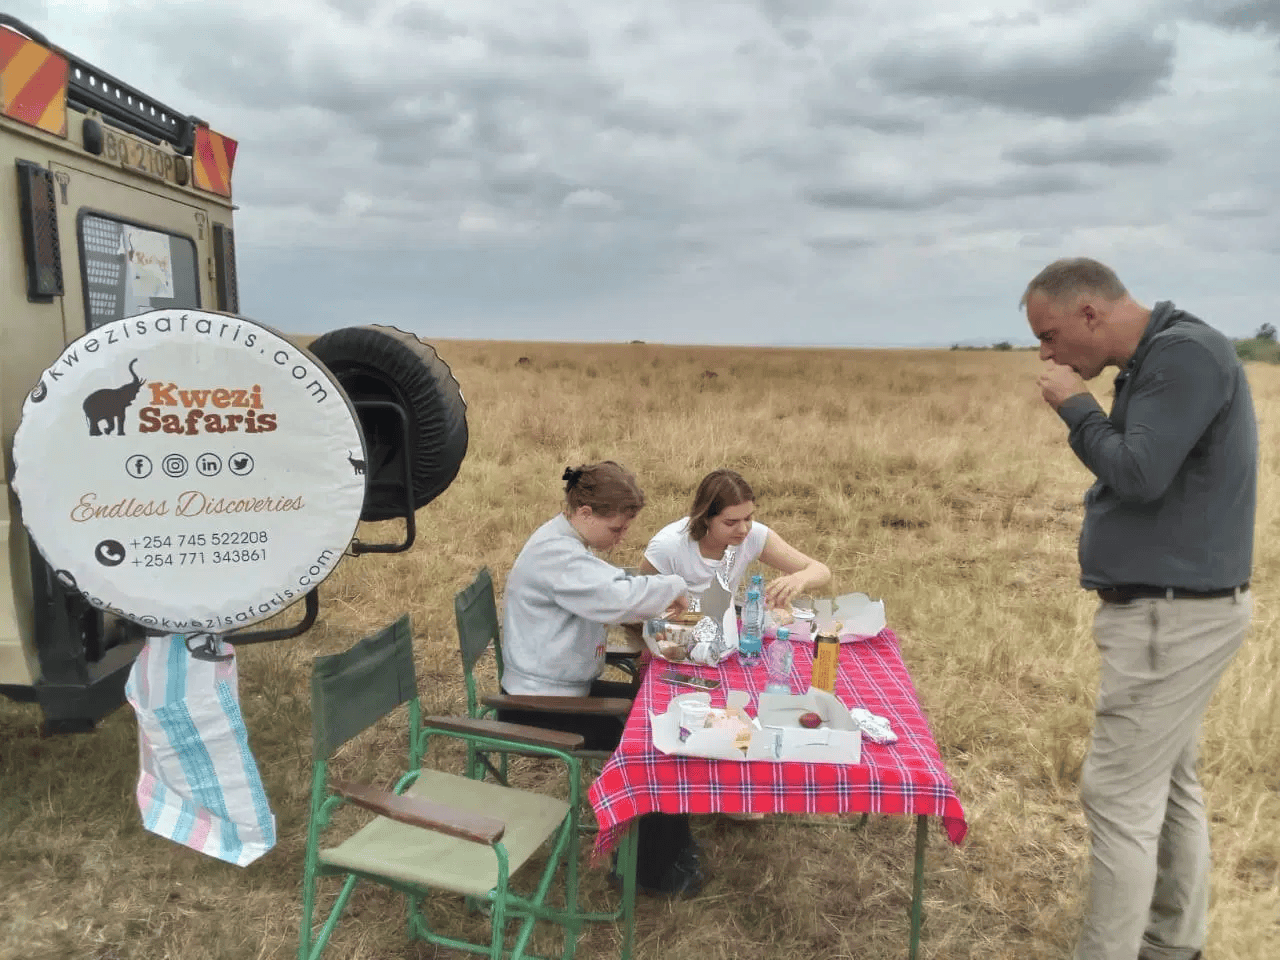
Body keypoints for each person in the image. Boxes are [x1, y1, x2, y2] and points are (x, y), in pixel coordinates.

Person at [1022, 258, 1256, 960]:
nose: (1047, 354)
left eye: (1051, 334)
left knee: (1116, 794)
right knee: (1169, 778)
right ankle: (1172, 941)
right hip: (1178, 610)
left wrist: (1076, 409)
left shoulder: (1182, 354)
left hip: (1171, 619)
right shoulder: (1165, 355)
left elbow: (1138, 473)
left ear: (1090, 313)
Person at [500, 461, 703, 897]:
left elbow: (609, 583)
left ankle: (669, 845)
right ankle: (649, 871)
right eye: (616, 528)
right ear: (585, 512)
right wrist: (670, 586)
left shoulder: (564, 541)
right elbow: (615, 596)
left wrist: (654, 590)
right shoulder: (555, 555)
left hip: (559, 688)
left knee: (666, 715)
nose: (622, 537)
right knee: (659, 741)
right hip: (538, 706)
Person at [637, 468, 831, 640]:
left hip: (725, 637)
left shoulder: (753, 536)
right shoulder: (669, 546)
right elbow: (638, 607)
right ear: (705, 518)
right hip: (673, 639)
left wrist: (800, 578)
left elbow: (821, 571)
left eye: (748, 518)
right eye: (731, 522)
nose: (743, 529)